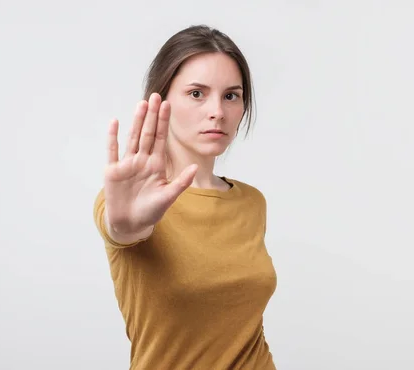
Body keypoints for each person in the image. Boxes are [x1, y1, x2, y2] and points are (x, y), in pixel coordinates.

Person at [93, 24, 277, 369]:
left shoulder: (252, 202)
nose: (217, 112)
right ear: (161, 100)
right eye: (196, 93)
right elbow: (121, 226)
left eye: (231, 95)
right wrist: (125, 225)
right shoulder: (129, 202)